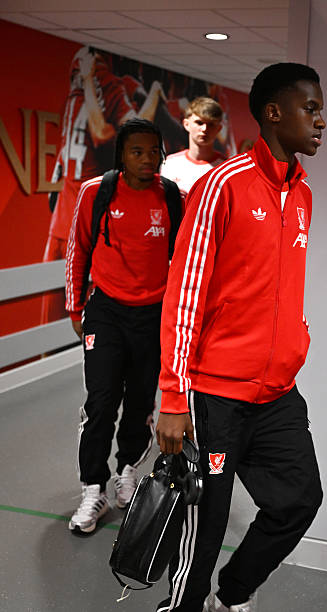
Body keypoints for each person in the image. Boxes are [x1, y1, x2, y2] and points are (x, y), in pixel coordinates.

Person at [155, 62, 326, 612]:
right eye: (311, 108)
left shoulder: (302, 194)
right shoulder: (222, 186)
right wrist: (173, 396)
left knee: (298, 501)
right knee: (204, 523)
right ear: (274, 113)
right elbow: (185, 293)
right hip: (216, 394)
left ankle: (230, 596)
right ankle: (183, 606)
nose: (321, 121)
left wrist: (294, 338)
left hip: (276, 392)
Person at [65, 118, 179, 534]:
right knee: (101, 402)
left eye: (154, 151)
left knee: (140, 403)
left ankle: (126, 470)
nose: (148, 159)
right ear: (121, 156)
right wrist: (75, 307)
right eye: (137, 152)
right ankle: (92, 489)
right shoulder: (97, 192)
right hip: (106, 311)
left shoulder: (172, 197)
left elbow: (186, 259)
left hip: (152, 315)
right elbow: (78, 249)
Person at [41, 47, 166, 324]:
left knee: (58, 319)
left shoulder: (75, 88)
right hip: (84, 219)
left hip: (66, 217)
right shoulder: (107, 84)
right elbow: (112, 133)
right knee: (83, 316)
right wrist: (154, 94)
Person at [160, 96, 225, 201]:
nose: (204, 129)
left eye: (211, 124)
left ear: (219, 129)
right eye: (199, 123)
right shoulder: (170, 164)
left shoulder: (226, 168)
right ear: (186, 124)